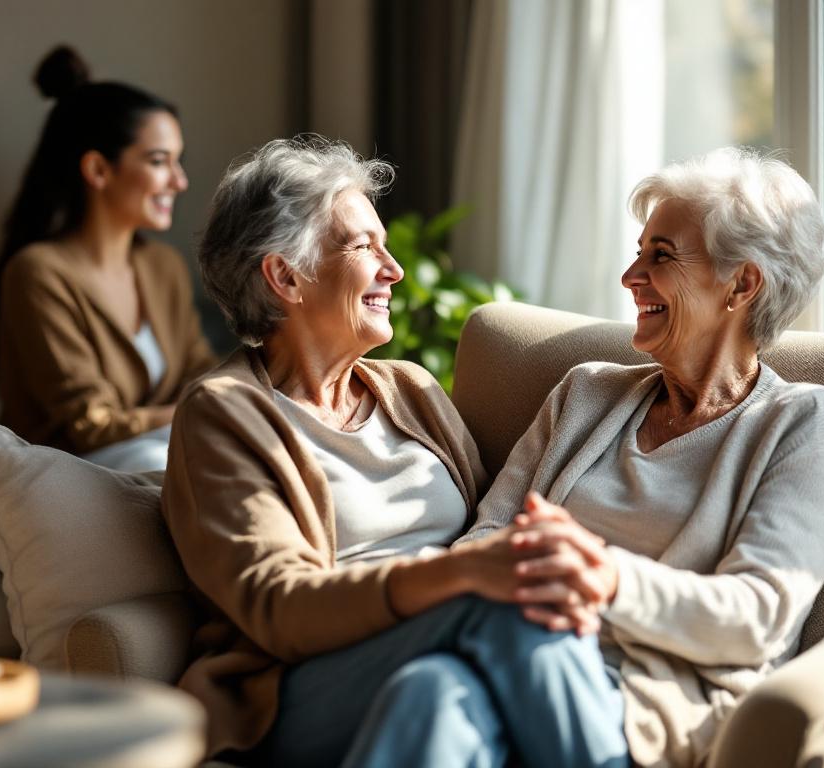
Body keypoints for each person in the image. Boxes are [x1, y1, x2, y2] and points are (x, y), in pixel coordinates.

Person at [162, 135, 628, 768]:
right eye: (363, 247)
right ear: (285, 276)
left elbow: (488, 520)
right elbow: (278, 605)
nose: (394, 270)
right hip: (302, 683)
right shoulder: (223, 413)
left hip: (436, 653)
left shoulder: (410, 389)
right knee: (505, 608)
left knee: (437, 695)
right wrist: (459, 576)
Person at [458, 146, 824, 767]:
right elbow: (483, 538)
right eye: (639, 251)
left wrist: (606, 579)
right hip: (510, 656)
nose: (630, 276)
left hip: (646, 707)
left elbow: (759, 617)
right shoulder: (584, 393)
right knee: (427, 689)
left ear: (742, 283)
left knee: (436, 680)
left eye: (661, 255)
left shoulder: (804, 421)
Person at [0, 45, 217, 472]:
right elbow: (88, 425)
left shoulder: (163, 267)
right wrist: (195, 410)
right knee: (166, 462)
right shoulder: (38, 274)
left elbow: (203, 375)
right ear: (99, 170)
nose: (179, 181)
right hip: (63, 477)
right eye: (159, 161)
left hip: (154, 452)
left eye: (178, 162)